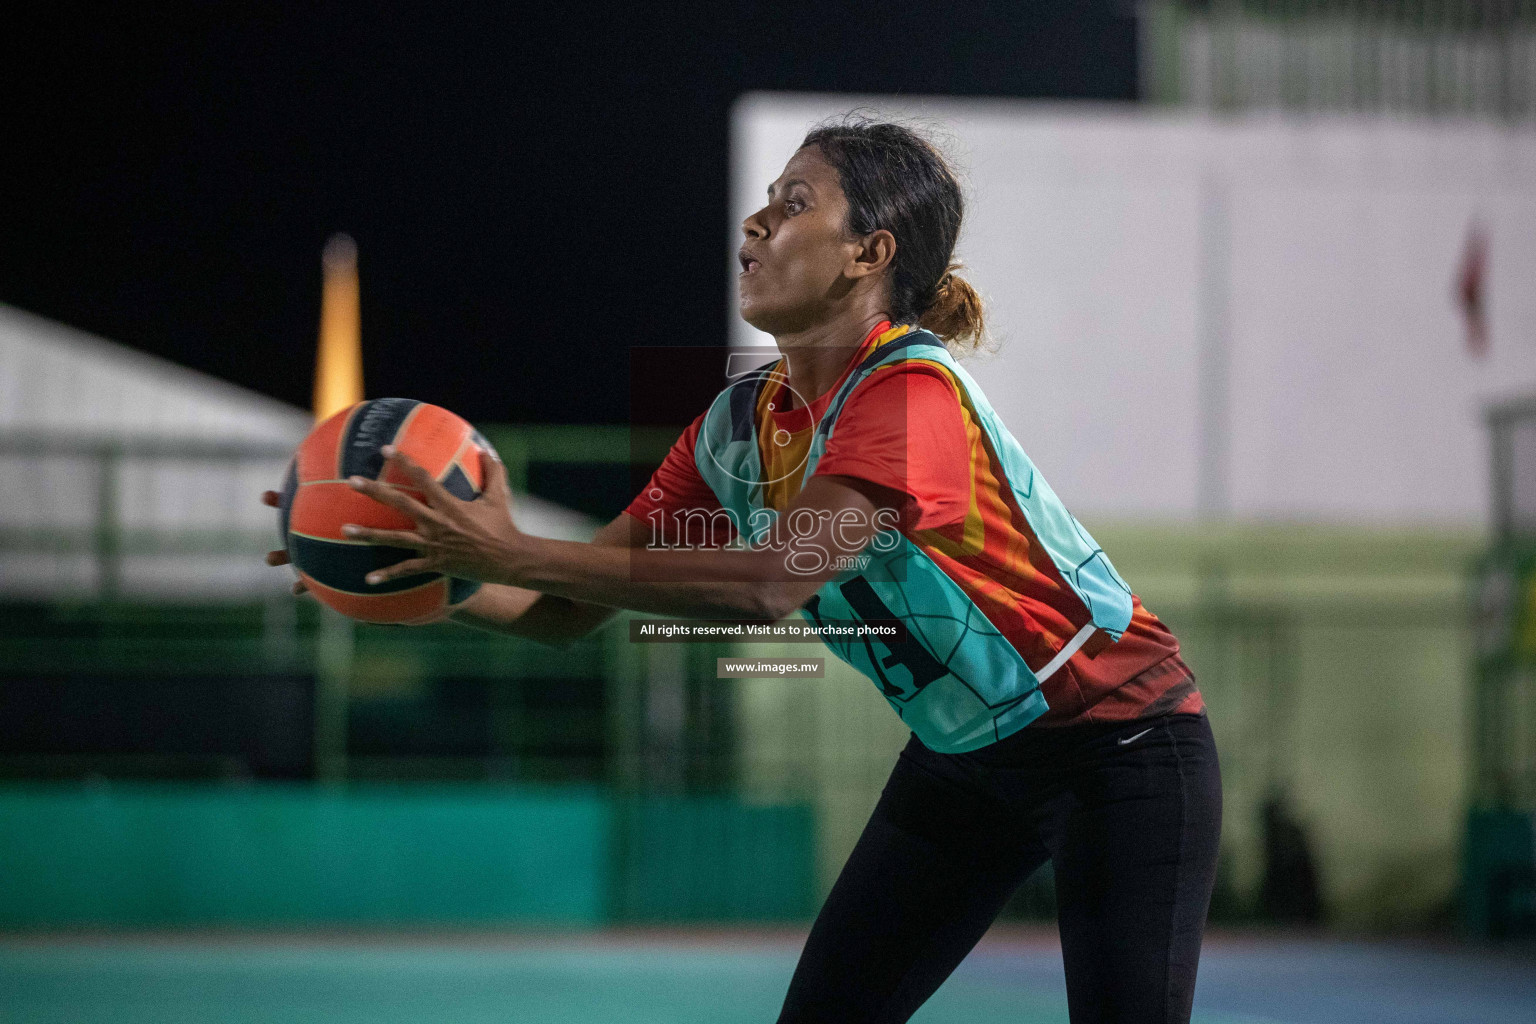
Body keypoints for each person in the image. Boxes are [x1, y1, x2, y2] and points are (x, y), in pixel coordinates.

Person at [263, 116, 1222, 1024]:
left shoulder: (910, 394)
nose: (757, 223)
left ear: (870, 253)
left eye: (794, 202)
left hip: (1120, 744)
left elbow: (772, 580)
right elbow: (565, 607)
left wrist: (506, 545)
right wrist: (423, 575)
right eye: (766, 198)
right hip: (969, 759)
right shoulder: (737, 427)